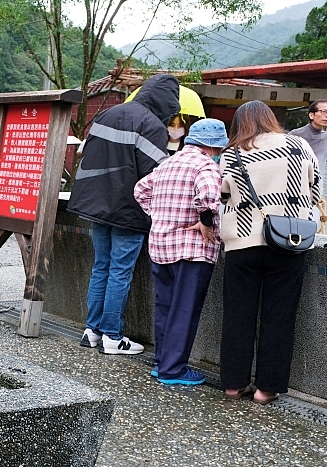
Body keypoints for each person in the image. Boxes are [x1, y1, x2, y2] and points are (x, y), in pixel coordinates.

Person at [68, 74, 181, 355]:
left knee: (101, 267)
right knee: (119, 271)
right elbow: (156, 174)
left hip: (97, 203)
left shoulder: (109, 113)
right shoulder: (152, 125)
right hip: (128, 210)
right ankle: (112, 336)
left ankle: (92, 330)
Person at [219, 100, 321, 405]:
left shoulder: (231, 153)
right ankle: (266, 389)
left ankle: (234, 385)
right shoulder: (298, 144)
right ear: (270, 119)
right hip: (288, 239)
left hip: (242, 241)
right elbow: (315, 189)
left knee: (238, 313)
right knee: (280, 315)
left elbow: (222, 194)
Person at [133, 118, 229, 386]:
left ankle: (162, 362)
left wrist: (159, 215)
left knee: (165, 306)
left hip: (161, 245)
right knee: (185, 309)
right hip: (192, 248)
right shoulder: (206, 165)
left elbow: (140, 190)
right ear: (214, 146)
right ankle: (173, 370)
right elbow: (210, 198)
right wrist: (206, 224)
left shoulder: (166, 164)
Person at [289, 99, 327, 197]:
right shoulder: (295, 135)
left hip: (320, 188)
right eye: (323, 112)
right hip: (298, 186)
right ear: (311, 115)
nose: (326, 115)